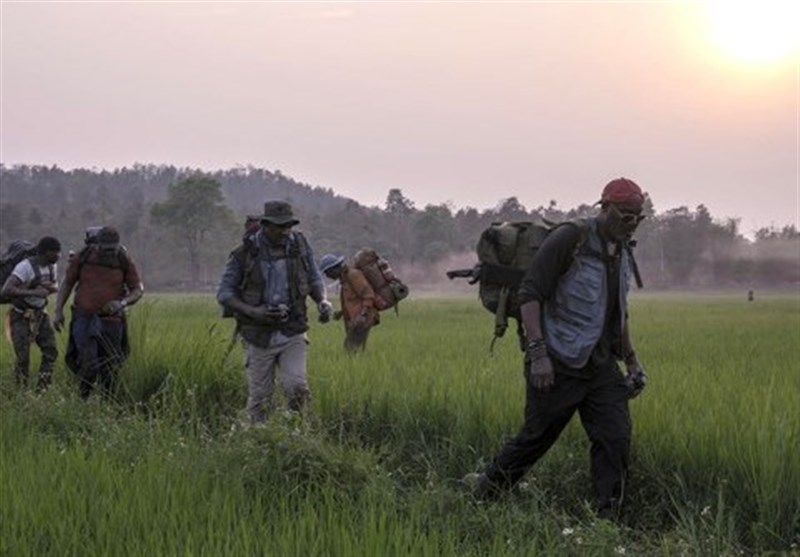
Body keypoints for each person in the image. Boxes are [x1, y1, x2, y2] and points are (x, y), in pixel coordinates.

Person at [471, 177, 649, 520]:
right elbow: (530, 294)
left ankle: (607, 520)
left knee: (615, 439)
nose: (631, 223)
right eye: (625, 215)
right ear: (605, 208)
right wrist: (538, 355)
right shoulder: (571, 238)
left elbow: (618, 312)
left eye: (638, 217)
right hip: (558, 361)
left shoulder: (623, 250)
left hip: (600, 367)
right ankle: (484, 494)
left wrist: (632, 362)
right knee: (536, 438)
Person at [217, 200, 333, 423]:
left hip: (293, 329)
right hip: (258, 335)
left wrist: (323, 302)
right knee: (261, 398)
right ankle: (255, 442)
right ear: (265, 225)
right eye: (280, 226)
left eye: (288, 226)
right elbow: (224, 294)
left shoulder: (299, 244)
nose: (285, 231)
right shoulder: (243, 254)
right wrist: (254, 312)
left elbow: (314, 278)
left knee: (297, 387)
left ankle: (299, 435)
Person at [53, 226, 144, 399]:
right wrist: (58, 311)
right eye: (105, 249)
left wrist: (121, 303)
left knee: (110, 367)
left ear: (117, 246)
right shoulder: (83, 257)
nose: (109, 253)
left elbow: (137, 290)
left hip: (112, 321)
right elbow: (67, 284)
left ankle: (107, 404)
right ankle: (82, 402)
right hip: (84, 318)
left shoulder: (123, 259)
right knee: (88, 364)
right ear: (97, 245)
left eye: (112, 249)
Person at [0, 236, 61, 390]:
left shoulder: (52, 266)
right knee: (23, 358)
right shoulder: (24, 267)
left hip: (41, 315)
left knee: (51, 351)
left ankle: (42, 389)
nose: (59, 256)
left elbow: (54, 286)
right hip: (20, 315)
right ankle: (21, 393)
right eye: (55, 253)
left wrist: (48, 289)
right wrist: (33, 292)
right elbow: (7, 289)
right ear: (45, 252)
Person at [318, 253, 380, 352]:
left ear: (334, 268)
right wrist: (342, 312)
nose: (327, 275)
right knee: (355, 350)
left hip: (362, 319)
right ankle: (361, 366)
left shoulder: (353, 275)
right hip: (355, 320)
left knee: (351, 349)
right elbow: (353, 300)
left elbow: (368, 295)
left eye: (327, 272)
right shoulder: (344, 280)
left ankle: (359, 366)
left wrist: (362, 316)